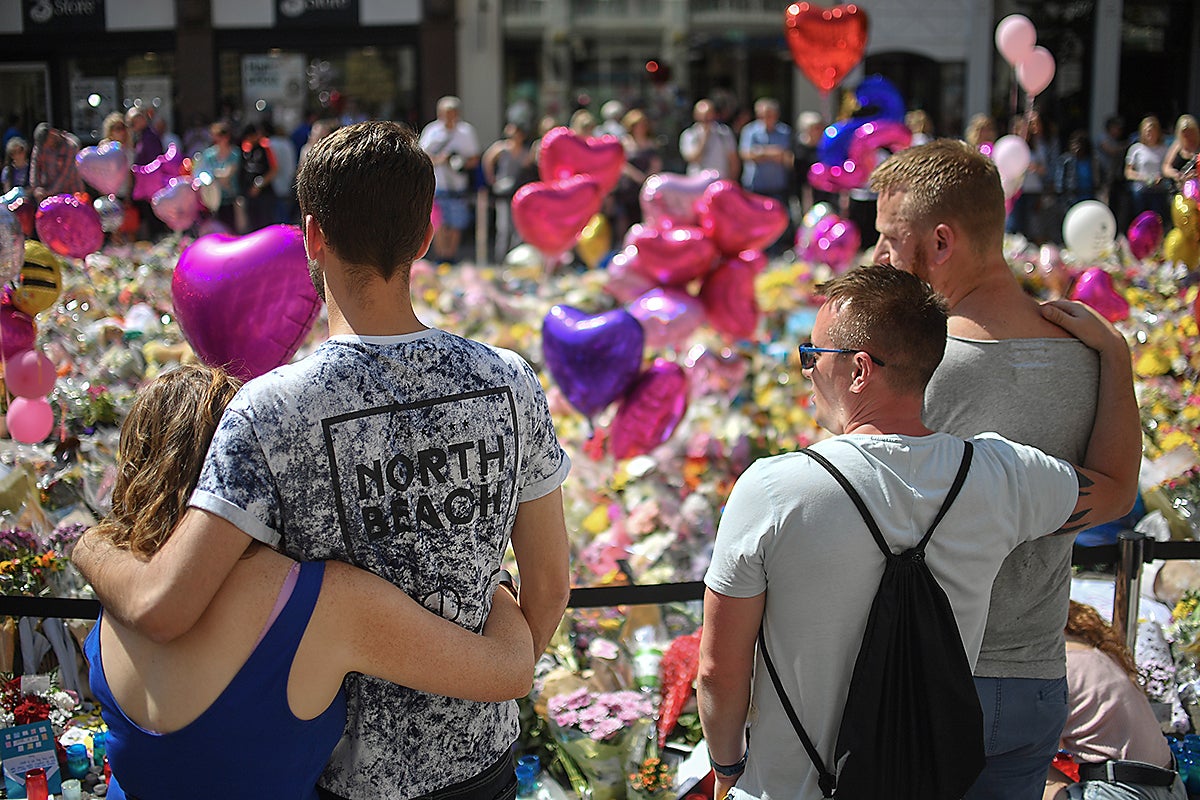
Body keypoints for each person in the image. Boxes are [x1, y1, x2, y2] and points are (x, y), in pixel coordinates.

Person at [71, 120, 572, 800]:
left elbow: (164, 606)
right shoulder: (509, 381)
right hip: (482, 760)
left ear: (313, 237)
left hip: (343, 773)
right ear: (425, 237)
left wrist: (89, 546)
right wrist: (485, 687)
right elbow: (550, 584)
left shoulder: (269, 410)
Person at [698, 263, 1139, 800]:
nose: (808, 370)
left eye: (813, 356)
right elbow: (1117, 490)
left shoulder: (772, 490)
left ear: (859, 370)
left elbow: (719, 670)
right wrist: (1115, 355)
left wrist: (726, 767)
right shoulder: (1002, 477)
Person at [86, 364, 537, 799]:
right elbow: (511, 670)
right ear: (249, 464)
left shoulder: (121, 584)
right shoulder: (322, 600)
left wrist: (88, 547)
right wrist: (494, 583)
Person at [869, 139, 1143, 800]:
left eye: (887, 238)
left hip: (932, 676)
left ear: (940, 243)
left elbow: (865, 512)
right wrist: (1119, 356)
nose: (877, 254)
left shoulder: (916, 364)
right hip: (1035, 681)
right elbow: (1116, 495)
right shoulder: (1087, 354)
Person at [1045, 601, 1186, 799]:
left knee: (1007, 765)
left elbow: (1013, 742)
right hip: (1169, 787)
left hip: (1121, 791)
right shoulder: (1094, 654)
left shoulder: (1059, 663)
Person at [419, 96, 480, 264]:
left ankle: (450, 256)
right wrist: (440, 160)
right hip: (438, 185)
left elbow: (474, 158)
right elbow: (421, 156)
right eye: (445, 113)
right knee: (438, 223)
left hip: (458, 184)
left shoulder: (466, 132)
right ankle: (440, 256)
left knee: (456, 222)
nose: (449, 117)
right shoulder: (432, 132)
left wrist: (459, 161)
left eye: (452, 113)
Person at [482, 121, 535, 263]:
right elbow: (487, 159)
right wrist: (491, 179)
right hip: (503, 193)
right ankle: (501, 260)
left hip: (518, 194)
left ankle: (514, 259)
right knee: (504, 228)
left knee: (518, 228)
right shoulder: (501, 148)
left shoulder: (525, 152)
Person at [194, 121, 241, 232]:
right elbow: (202, 173)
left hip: (230, 199)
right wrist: (219, 175)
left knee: (231, 231)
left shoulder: (235, 154)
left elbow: (228, 174)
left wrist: (215, 175)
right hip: (212, 201)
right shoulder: (209, 154)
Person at [680, 98, 739, 180]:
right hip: (696, 183)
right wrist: (704, 138)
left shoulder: (724, 133)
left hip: (719, 182)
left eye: (708, 115)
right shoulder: (689, 134)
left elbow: (733, 161)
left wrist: (731, 181)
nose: (706, 119)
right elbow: (694, 159)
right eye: (703, 117)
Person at [1125, 116, 1170, 223]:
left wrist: (1160, 177)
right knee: (1141, 219)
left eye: (1153, 131)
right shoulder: (1136, 149)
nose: (1150, 134)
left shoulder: (1164, 149)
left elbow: (1166, 167)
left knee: (1156, 219)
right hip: (1141, 189)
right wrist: (1144, 177)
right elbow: (1128, 172)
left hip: (1158, 189)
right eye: (1147, 131)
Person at [237, 122, 278, 232]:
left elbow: (274, 169)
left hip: (264, 194)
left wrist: (260, 184)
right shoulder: (246, 149)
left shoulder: (265, 147)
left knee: (265, 224)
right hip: (249, 195)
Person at [793, 111, 836, 213]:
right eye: (815, 128)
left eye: (820, 127)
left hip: (827, 193)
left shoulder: (827, 148)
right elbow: (799, 178)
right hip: (807, 194)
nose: (819, 131)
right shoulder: (800, 150)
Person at [28, 123, 84, 202]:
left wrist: (48, 193)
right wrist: (36, 188)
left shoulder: (71, 146)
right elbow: (35, 168)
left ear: (52, 133)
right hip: (49, 193)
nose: (46, 147)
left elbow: (65, 175)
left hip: (71, 193)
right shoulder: (40, 147)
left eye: (47, 143)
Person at [1161, 114, 1198, 193]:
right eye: (1184, 134)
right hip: (1179, 189)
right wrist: (1175, 174)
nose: (1188, 136)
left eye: (1191, 132)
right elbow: (1165, 167)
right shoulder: (1177, 145)